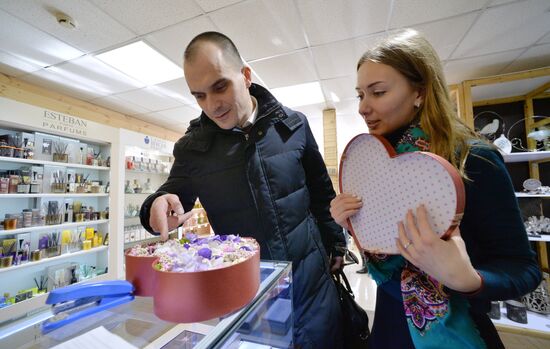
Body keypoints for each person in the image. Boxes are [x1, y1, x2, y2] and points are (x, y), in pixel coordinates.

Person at [330, 29, 542, 349]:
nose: (363, 107)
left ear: (420, 92)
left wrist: (467, 278)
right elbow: (388, 262)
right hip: (388, 327)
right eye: (361, 95)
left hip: (456, 329)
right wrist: (353, 223)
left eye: (378, 92)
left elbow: (524, 270)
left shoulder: (475, 160)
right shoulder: (374, 169)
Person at [140, 31, 345, 349]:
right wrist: (157, 202)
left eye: (220, 86)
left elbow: (321, 192)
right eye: (199, 96)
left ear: (246, 76)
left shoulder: (293, 125)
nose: (212, 105)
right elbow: (172, 194)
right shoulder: (194, 148)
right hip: (249, 302)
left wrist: (335, 244)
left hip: (314, 286)